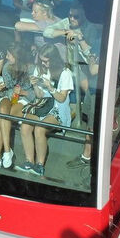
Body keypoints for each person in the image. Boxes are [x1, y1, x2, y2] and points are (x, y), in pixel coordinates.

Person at [16, 44, 74, 178]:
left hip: (58, 109)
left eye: (46, 61)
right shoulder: (39, 69)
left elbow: (61, 99)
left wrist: (51, 88)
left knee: (39, 129)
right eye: (41, 60)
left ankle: (39, 165)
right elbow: (39, 96)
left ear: (54, 59)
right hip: (43, 105)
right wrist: (35, 84)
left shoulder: (65, 73)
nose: (43, 63)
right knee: (25, 126)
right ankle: (29, 161)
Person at [0, 42, 33, 171]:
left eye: (9, 55)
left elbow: (35, 95)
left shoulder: (30, 69)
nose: (6, 57)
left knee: (0, 119)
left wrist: (21, 92)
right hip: (9, 96)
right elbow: (4, 92)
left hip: (23, 99)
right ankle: (6, 151)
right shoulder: (6, 67)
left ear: (17, 57)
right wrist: (0, 89)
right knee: (2, 111)